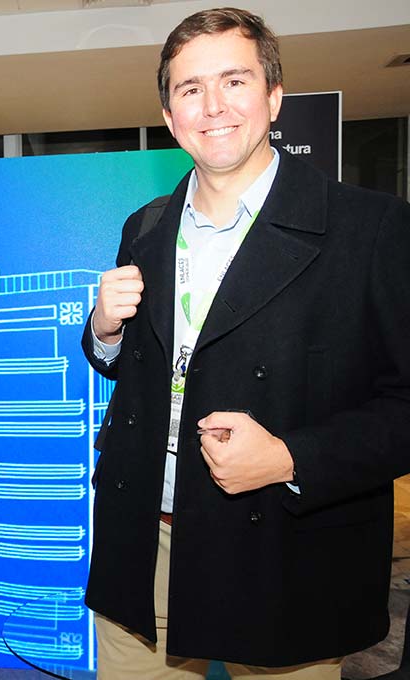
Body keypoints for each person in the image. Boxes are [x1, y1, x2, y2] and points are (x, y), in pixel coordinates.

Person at [82, 7, 410, 679]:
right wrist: (102, 332)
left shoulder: (370, 228)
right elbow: (145, 370)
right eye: (190, 89)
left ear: (274, 96)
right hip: (149, 542)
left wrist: (291, 457)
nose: (213, 106)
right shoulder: (144, 227)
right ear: (170, 116)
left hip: (285, 553)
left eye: (234, 81)